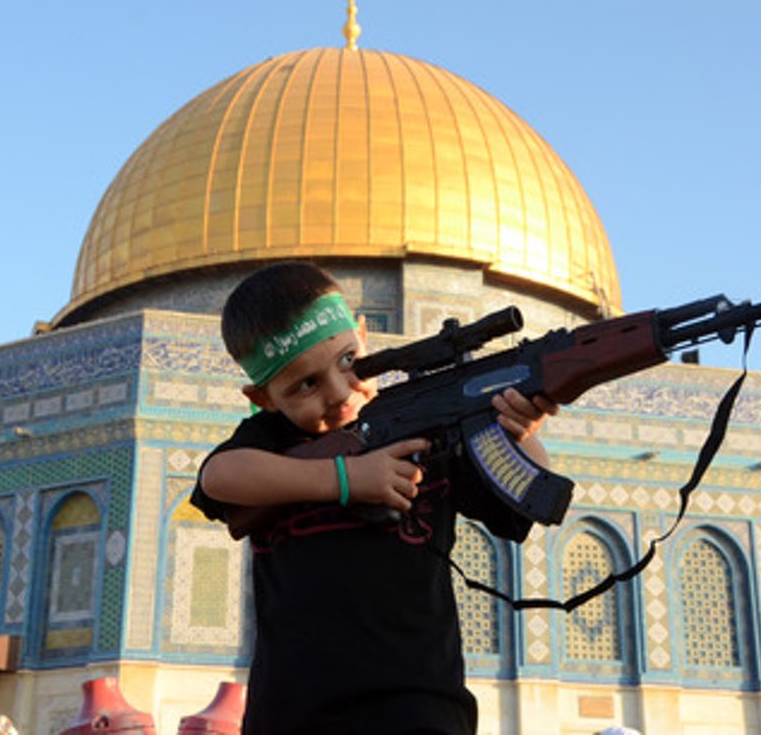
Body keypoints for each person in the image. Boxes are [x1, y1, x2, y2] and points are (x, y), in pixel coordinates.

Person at [192, 261, 558, 735]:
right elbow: (217, 477)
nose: (341, 392)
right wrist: (347, 479)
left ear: (364, 335)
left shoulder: (429, 429)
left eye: (349, 361)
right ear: (263, 397)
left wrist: (520, 429)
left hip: (422, 708)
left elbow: (530, 493)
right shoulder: (271, 440)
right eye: (306, 384)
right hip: (297, 712)